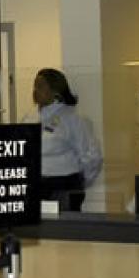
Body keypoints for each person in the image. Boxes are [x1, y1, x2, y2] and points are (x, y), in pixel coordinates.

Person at [24, 68, 102, 212]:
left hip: (63, 186)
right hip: (35, 185)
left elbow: (91, 156)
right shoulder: (29, 118)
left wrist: (81, 182)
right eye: (34, 85)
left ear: (55, 90)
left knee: (64, 230)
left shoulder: (73, 119)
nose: (35, 90)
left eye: (40, 85)